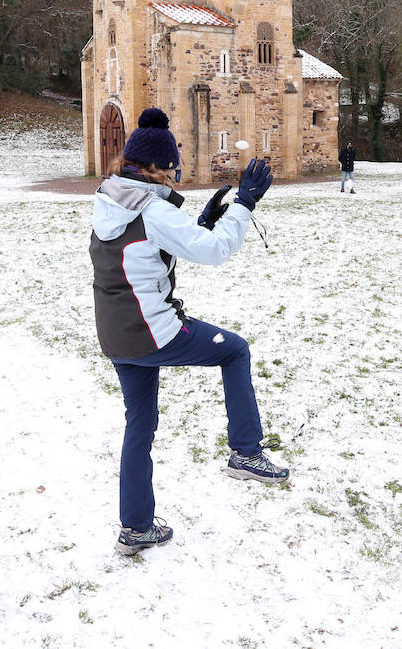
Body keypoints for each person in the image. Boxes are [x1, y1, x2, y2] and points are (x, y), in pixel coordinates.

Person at [90, 108, 288, 556]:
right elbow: (214, 252)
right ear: (159, 168)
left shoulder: (110, 197)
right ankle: (246, 453)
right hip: (151, 332)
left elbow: (147, 248)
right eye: (173, 169)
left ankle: (136, 528)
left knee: (140, 424)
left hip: (116, 335)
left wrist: (202, 223)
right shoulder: (153, 209)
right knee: (234, 351)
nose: (175, 177)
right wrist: (244, 204)